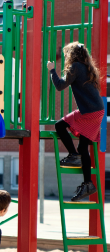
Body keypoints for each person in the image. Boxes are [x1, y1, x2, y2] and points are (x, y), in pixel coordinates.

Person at [48, 42, 104, 201]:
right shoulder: (86, 67)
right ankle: (88, 184)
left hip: (89, 111)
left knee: (60, 125)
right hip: (97, 111)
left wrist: (52, 69)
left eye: (66, 54)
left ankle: (73, 155)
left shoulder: (76, 67)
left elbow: (59, 86)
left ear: (71, 55)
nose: (65, 57)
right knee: (83, 146)